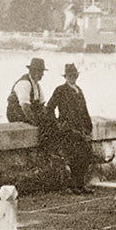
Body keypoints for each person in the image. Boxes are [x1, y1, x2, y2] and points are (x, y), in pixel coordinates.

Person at [45, 63, 95, 194]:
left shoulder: (79, 90)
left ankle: (80, 184)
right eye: (70, 75)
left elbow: (85, 110)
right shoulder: (60, 90)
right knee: (73, 157)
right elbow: (50, 107)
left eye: (74, 75)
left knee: (85, 156)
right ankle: (73, 186)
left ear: (77, 76)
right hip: (68, 129)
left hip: (81, 129)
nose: (72, 77)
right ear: (66, 76)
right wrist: (58, 123)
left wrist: (89, 127)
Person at [6, 57, 46, 125]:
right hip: (17, 118)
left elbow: (42, 105)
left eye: (42, 71)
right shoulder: (24, 83)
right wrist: (35, 123)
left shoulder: (37, 86)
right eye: (39, 71)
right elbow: (25, 107)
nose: (42, 74)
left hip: (28, 117)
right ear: (32, 71)